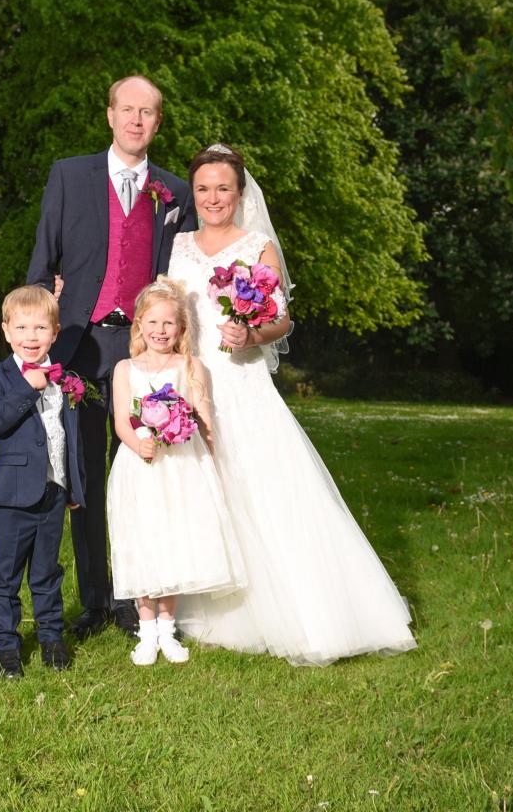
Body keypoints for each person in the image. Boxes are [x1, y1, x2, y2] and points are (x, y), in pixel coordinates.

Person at [168, 144, 417, 665]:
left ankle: (310, 613)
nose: (213, 198)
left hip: (242, 383)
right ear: (194, 193)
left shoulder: (258, 248)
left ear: (239, 194)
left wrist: (251, 331)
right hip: (193, 384)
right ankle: (215, 609)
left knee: (267, 491)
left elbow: (281, 320)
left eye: (223, 189)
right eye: (204, 188)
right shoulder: (177, 246)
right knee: (206, 490)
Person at [26, 75, 197, 640]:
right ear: (110, 115)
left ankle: (136, 599)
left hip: (144, 354)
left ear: (157, 123)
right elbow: (41, 262)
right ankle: (96, 601)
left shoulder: (174, 191)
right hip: (79, 345)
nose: (136, 120)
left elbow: (183, 280)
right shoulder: (69, 175)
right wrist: (36, 345)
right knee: (83, 478)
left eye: (147, 112)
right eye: (128, 109)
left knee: (142, 476)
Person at [107, 279, 245, 666]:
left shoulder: (191, 366)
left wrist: (213, 459)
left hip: (182, 467)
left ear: (182, 328)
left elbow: (204, 418)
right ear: (139, 326)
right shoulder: (125, 369)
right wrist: (138, 443)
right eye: (152, 322)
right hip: (142, 467)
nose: (160, 331)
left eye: (169, 324)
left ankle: (168, 629)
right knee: (144, 541)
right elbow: (121, 420)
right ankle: (145, 630)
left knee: (174, 541)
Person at [0, 285, 85, 678]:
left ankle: (52, 638)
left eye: (40, 327)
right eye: (21, 328)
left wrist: (72, 486)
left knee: (47, 572)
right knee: (5, 576)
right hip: (10, 499)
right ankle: (6, 648)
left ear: (55, 332)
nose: (30, 337)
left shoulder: (66, 380)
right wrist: (29, 386)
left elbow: (67, 439)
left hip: (53, 494)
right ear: (6, 331)